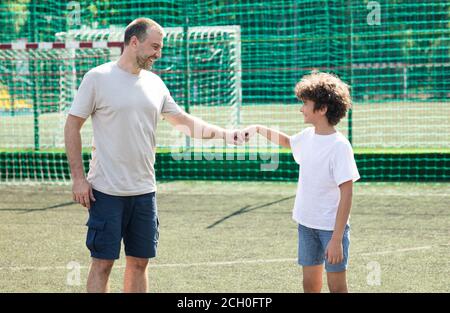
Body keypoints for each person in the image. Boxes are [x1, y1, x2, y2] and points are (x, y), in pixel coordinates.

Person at [64, 17, 244, 293]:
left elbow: (182, 121)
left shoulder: (155, 83)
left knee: (139, 263)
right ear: (134, 42)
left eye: (160, 48)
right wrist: (78, 179)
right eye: (155, 47)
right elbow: (72, 125)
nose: (158, 54)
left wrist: (224, 134)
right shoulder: (97, 78)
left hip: (144, 192)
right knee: (102, 263)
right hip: (106, 191)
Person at [244, 72, 360, 293]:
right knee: (309, 285)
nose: (301, 108)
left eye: (306, 103)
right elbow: (287, 141)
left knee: (336, 287)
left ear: (323, 108)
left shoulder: (339, 146)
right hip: (306, 225)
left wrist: (336, 239)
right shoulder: (307, 136)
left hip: (331, 230)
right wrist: (259, 129)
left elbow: (347, 194)